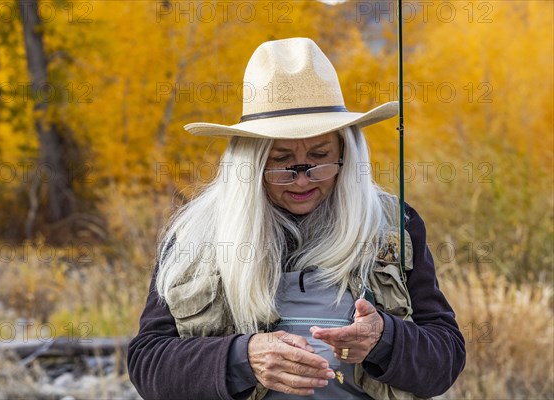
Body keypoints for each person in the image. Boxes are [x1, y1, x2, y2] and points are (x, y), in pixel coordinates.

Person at [127, 37, 466, 400]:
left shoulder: (394, 227)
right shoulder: (195, 235)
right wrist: (242, 358)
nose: (302, 179)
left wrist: (384, 339)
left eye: (319, 157)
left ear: (345, 155)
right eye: (281, 161)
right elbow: (149, 364)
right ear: (250, 163)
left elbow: (445, 358)